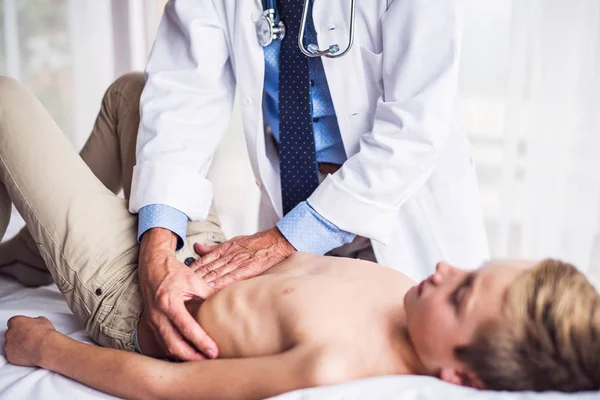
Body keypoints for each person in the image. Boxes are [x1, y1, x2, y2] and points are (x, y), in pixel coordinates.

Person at [2, 76, 600, 400]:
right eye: (472, 270)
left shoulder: (334, 363)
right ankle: (30, 260)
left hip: (135, 303)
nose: (445, 269)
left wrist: (45, 349)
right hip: (202, 246)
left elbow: (165, 384)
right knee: (135, 95)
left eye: (461, 295)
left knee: (5, 102)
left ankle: (41, 254)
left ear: (463, 378)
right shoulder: (402, 291)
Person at [128, 0, 490, 361]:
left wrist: (285, 239)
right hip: (292, 195)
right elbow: (183, 95)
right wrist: (157, 248)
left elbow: (414, 128)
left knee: (405, 351)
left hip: (402, 202)